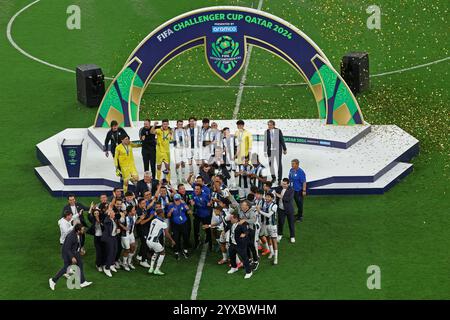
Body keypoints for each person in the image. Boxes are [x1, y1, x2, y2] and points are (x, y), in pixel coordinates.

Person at [49, 224, 92, 290]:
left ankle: (82, 282)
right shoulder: (71, 236)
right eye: (82, 229)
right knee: (66, 268)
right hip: (67, 253)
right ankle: (53, 280)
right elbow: (67, 248)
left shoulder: (80, 234)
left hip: (74, 252)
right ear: (78, 230)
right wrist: (72, 257)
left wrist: (80, 249)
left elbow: (78, 244)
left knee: (80, 264)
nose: (84, 230)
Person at [146, 208, 176, 275]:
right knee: (162, 253)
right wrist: (172, 240)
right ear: (161, 214)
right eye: (163, 213)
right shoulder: (163, 223)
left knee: (156, 252)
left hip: (148, 240)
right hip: (154, 241)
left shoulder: (153, 220)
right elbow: (167, 234)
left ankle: (151, 268)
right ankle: (157, 269)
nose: (164, 214)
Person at [226, 213, 253, 279]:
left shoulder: (242, 224)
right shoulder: (230, 223)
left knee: (244, 258)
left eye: (231, 218)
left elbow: (247, 231)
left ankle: (249, 272)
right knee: (231, 256)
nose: (230, 219)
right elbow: (227, 227)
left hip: (240, 244)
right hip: (232, 243)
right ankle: (234, 267)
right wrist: (224, 231)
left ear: (236, 219)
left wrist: (244, 234)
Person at [256, 193, 279, 264]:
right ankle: (271, 252)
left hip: (272, 225)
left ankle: (276, 258)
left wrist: (260, 211)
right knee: (268, 238)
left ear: (272, 198)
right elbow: (259, 209)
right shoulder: (264, 204)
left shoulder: (274, 205)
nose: (266, 198)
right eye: (266, 197)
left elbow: (269, 215)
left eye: (268, 197)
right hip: (265, 224)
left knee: (274, 240)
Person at [238, 200, 260, 271]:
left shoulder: (251, 212)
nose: (242, 206)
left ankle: (256, 261)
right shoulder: (241, 210)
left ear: (247, 206)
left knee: (251, 245)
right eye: (242, 205)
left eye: (243, 205)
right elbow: (234, 202)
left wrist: (245, 220)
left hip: (251, 230)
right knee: (246, 245)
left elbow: (253, 220)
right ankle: (249, 259)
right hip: (244, 230)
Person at [264, 120, 287, 185]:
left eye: (270, 125)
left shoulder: (278, 131)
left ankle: (279, 179)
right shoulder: (266, 132)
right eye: (268, 125)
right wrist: (265, 151)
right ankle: (273, 177)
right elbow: (265, 142)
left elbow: (282, 140)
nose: (269, 126)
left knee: (279, 164)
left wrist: (284, 149)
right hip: (270, 150)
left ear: (274, 125)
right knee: (271, 164)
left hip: (277, 150)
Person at [168, 194, 190, 260]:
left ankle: (185, 249)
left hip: (184, 223)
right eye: (176, 200)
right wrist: (170, 212)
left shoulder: (183, 204)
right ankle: (176, 251)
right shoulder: (171, 205)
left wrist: (186, 207)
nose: (177, 201)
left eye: (178, 200)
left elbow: (189, 212)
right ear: (174, 200)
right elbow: (168, 215)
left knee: (185, 236)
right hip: (175, 224)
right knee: (176, 238)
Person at [190, 184, 212, 250]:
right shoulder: (193, 194)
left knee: (207, 230)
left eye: (197, 189)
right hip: (197, 215)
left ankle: (210, 244)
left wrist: (209, 204)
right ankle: (197, 243)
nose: (196, 190)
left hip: (205, 215)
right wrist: (191, 201)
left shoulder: (205, 195)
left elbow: (210, 202)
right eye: (195, 189)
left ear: (201, 190)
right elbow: (191, 198)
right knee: (195, 229)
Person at [275, 178, 296, 243]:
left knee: (291, 223)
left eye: (284, 184)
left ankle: (292, 236)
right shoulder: (279, 188)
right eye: (282, 183)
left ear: (288, 184)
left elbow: (288, 199)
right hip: (281, 209)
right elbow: (274, 192)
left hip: (289, 209)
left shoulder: (291, 190)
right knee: (280, 222)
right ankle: (280, 234)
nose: (283, 185)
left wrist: (279, 196)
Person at [135, 197, 154, 268]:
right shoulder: (138, 211)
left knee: (145, 244)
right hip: (141, 230)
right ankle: (143, 260)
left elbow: (149, 206)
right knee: (145, 244)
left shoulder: (144, 208)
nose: (144, 204)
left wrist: (154, 199)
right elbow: (141, 223)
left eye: (145, 203)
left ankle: (139, 255)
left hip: (145, 229)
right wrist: (150, 218)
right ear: (139, 204)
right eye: (143, 203)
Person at [87, 206, 106, 272]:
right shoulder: (93, 220)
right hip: (97, 238)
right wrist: (91, 207)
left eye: (97, 213)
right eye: (95, 213)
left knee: (104, 251)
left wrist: (99, 220)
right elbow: (89, 215)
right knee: (99, 252)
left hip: (103, 238)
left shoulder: (102, 218)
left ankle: (103, 264)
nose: (96, 214)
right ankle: (98, 265)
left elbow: (103, 224)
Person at [118, 205, 137, 271]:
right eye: (133, 210)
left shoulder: (134, 216)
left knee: (133, 247)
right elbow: (119, 222)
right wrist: (124, 227)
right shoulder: (125, 217)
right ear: (129, 212)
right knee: (127, 250)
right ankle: (124, 263)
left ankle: (129, 262)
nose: (135, 211)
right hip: (125, 235)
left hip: (131, 234)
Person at [101, 208, 119, 277]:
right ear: (109, 214)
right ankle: (106, 268)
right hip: (109, 238)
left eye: (114, 213)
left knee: (115, 251)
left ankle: (111, 264)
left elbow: (113, 228)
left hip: (114, 237)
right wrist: (108, 214)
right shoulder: (107, 220)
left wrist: (116, 231)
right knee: (110, 252)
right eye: (113, 213)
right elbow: (106, 221)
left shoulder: (113, 219)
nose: (114, 214)